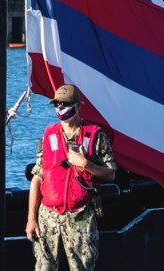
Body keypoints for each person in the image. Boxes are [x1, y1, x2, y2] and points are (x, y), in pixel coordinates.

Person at [24, 83, 115, 271]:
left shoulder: (96, 136)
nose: (60, 108)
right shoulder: (49, 135)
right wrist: (31, 219)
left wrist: (86, 164)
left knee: (82, 267)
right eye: (57, 104)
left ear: (78, 105)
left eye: (64, 104)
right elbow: (37, 178)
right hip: (49, 216)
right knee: (44, 267)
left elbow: (110, 174)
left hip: (80, 215)